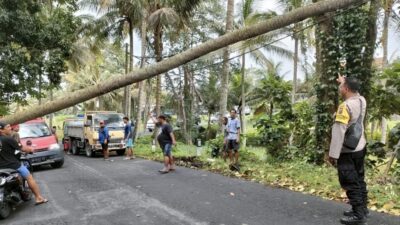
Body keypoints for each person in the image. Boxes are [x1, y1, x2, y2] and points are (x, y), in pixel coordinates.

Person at [329, 75, 368, 225]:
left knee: (349, 181)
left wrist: (333, 154)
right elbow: (351, 86)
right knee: (359, 179)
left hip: (347, 150)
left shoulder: (345, 107)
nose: (339, 89)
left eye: (341, 86)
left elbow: (339, 131)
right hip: (360, 145)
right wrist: (343, 80)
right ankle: (362, 209)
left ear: (345, 89)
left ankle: (358, 215)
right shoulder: (361, 100)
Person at [0, 121, 48, 205]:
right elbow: (22, 148)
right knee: (29, 176)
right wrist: (31, 150)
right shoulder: (8, 139)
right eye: (7, 127)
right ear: (1, 130)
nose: (10, 128)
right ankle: (38, 197)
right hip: (13, 165)